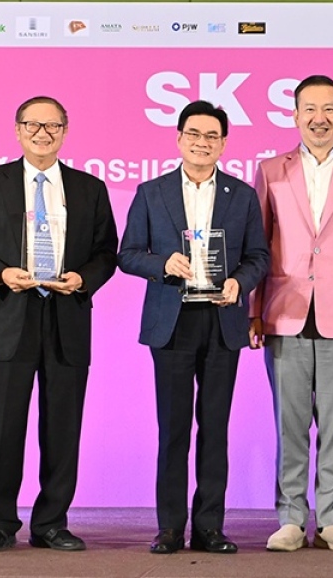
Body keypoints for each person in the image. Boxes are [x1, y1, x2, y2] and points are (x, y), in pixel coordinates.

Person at [0, 96, 118, 553]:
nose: (42, 133)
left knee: (63, 427)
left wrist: (84, 278)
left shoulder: (89, 188)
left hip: (68, 316)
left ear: (65, 132)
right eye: (33, 125)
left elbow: (106, 251)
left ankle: (51, 522)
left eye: (52, 126)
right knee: (1, 426)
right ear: (17, 130)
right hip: (12, 314)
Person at [118, 100, 269, 555]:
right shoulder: (152, 192)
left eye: (212, 136)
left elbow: (259, 257)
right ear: (179, 138)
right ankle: (169, 527)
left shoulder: (242, 195)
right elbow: (128, 254)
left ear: (223, 144)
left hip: (222, 320)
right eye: (194, 134)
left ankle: (209, 527)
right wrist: (163, 264)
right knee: (173, 430)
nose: (202, 143)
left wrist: (239, 283)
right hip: (172, 322)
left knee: (215, 428)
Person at [249, 75, 333, 552]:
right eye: (310, 109)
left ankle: (330, 520)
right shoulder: (270, 170)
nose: (319, 118)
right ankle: (290, 518)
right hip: (283, 312)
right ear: (295, 115)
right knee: (289, 424)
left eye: (329, 109)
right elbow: (258, 246)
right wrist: (254, 311)